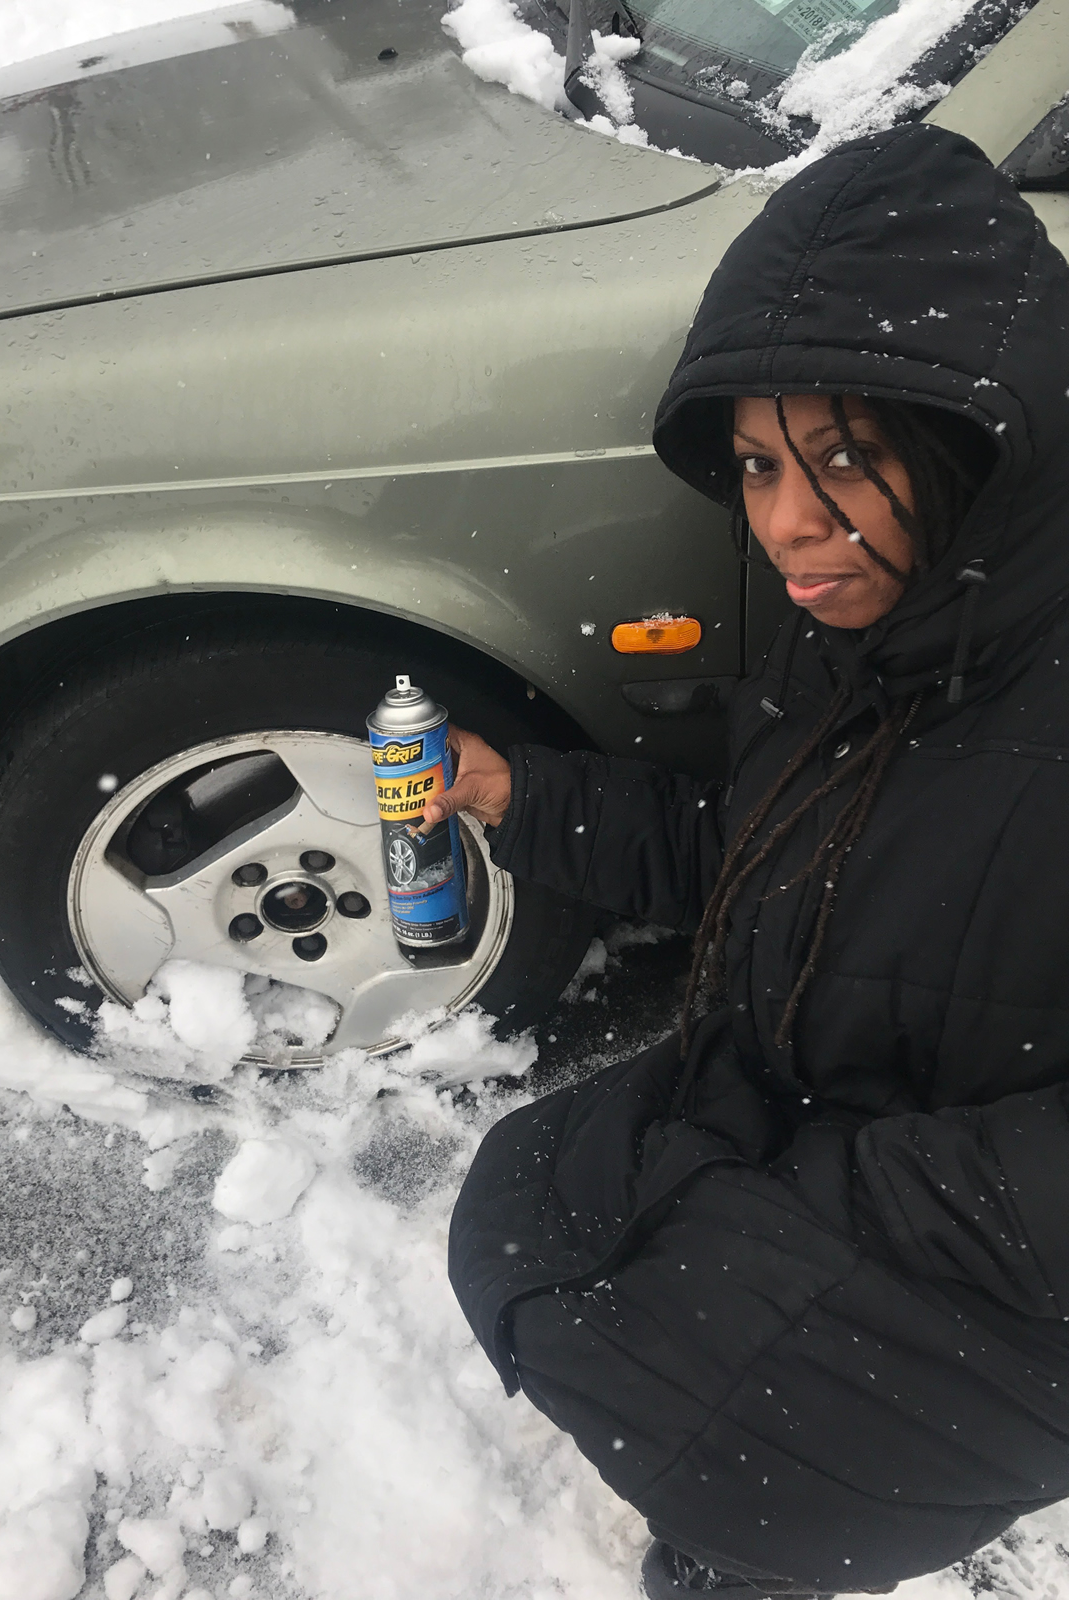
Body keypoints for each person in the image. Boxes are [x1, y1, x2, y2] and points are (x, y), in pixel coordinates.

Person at [426, 123, 1069, 1599]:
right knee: (543, 1201)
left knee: (741, 1429)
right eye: (760, 464)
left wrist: (833, 1202)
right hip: (815, 1115)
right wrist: (523, 796)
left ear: (982, 447)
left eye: (843, 461)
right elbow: (764, 861)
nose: (785, 524)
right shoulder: (863, 632)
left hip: (988, 1259)